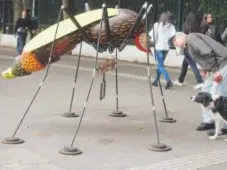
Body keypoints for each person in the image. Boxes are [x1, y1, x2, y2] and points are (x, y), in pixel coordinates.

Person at [170, 32, 227, 136]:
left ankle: (224, 127)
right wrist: (207, 70)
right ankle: (209, 121)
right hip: (215, 67)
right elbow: (203, 57)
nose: (176, 45)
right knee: (205, 92)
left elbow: (207, 52)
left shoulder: (190, 38)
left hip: (222, 65)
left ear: (180, 37)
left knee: (221, 95)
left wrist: (215, 70)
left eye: (175, 42)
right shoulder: (188, 44)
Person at [173, 12, 204, 89]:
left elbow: (182, 36)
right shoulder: (197, 26)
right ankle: (180, 80)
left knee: (192, 64)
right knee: (185, 64)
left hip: (187, 47)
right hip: (194, 46)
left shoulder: (186, 26)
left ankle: (200, 81)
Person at [149, 11, 176, 89]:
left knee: (160, 66)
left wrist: (149, 43)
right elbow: (173, 36)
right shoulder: (171, 26)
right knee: (160, 66)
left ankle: (168, 81)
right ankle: (155, 81)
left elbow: (152, 37)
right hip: (166, 48)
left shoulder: (156, 25)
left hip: (158, 47)